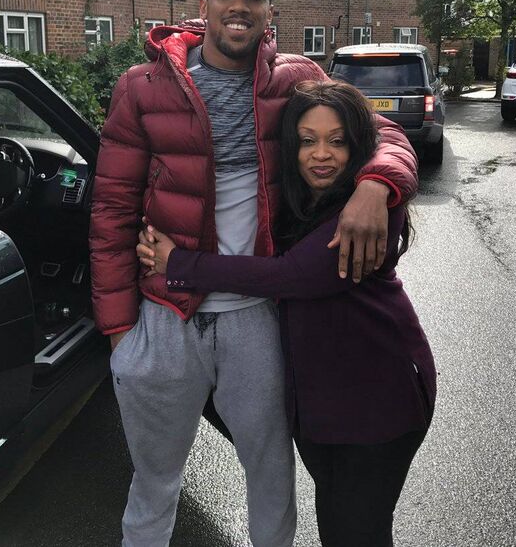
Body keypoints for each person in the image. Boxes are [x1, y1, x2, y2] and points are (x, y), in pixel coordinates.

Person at [90, 0, 418, 547]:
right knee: (154, 481)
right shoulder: (142, 87)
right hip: (165, 317)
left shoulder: (295, 79)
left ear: (270, 10)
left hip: (255, 319)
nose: (239, 7)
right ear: (205, 4)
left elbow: (381, 131)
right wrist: (120, 333)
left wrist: (378, 183)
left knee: (271, 477)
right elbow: (112, 206)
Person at [138, 79, 436, 547]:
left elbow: (291, 275)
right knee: (339, 524)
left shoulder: (366, 215)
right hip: (325, 408)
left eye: (338, 141)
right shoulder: (304, 202)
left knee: (357, 533)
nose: (322, 154)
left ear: (357, 145)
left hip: (381, 403)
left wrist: (178, 264)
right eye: (308, 140)